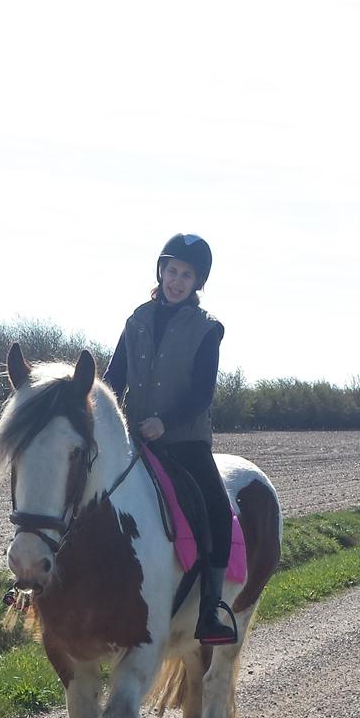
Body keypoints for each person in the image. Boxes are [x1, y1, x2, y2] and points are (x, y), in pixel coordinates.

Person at [103, 232, 238, 645]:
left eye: (187, 275)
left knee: (216, 508)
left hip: (184, 441)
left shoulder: (207, 329)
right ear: (160, 270)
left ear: (198, 283)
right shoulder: (136, 320)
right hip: (134, 438)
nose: (176, 280)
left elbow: (202, 394)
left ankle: (211, 610)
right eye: (172, 270)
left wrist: (166, 422)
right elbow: (114, 378)